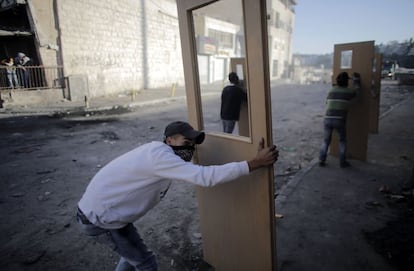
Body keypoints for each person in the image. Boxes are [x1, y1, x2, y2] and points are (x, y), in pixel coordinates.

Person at [77, 121, 279, 271]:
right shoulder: (159, 155)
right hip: (101, 218)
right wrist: (255, 163)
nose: (190, 148)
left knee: (132, 256)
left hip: (106, 212)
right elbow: (204, 177)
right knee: (145, 263)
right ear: (169, 140)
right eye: (186, 141)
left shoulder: (156, 153)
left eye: (193, 144)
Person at [318, 72, 361, 168]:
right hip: (340, 120)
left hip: (328, 119)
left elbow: (327, 102)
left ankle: (321, 159)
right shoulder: (349, 91)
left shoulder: (332, 90)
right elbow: (358, 93)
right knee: (342, 140)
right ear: (347, 82)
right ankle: (342, 161)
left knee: (326, 141)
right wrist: (356, 81)